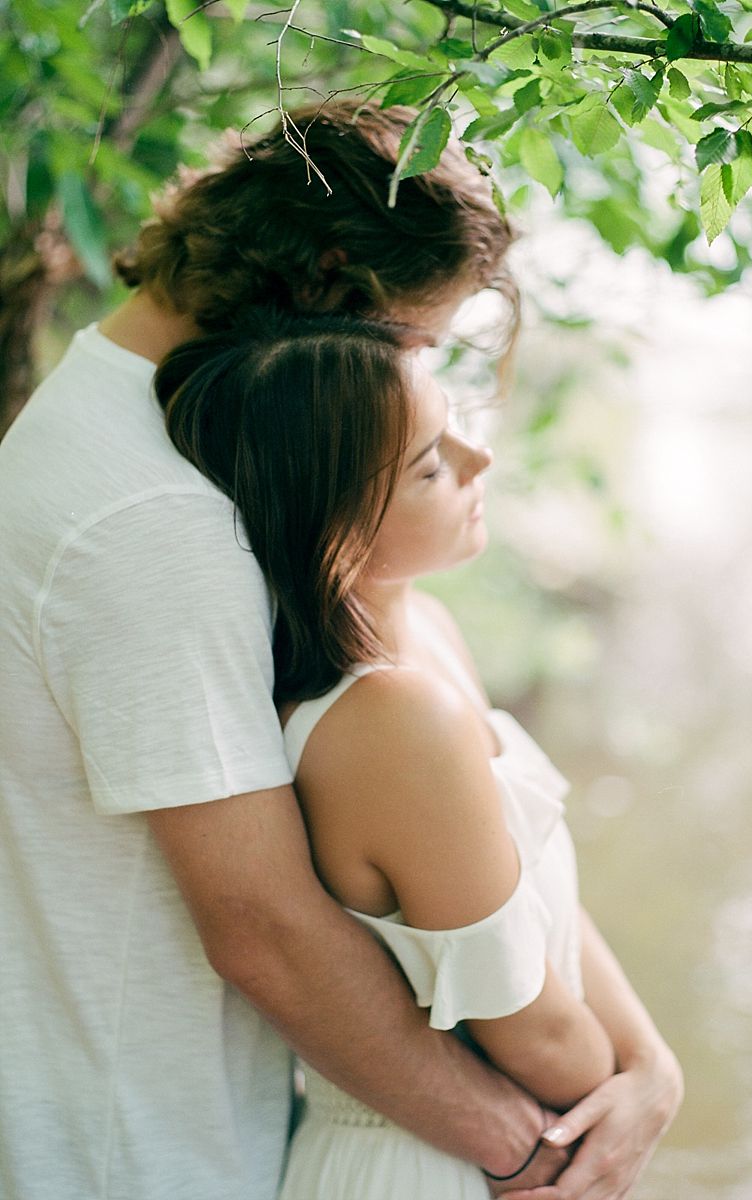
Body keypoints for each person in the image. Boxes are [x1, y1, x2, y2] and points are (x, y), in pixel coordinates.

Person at [0, 101, 681, 1200]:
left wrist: (647, 1064)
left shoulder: (143, 433)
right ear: (326, 289)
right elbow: (262, 927)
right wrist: (524, 1152)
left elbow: (484, 850)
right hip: (145, 1149)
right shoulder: (151, 520)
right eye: (415, 339)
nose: (413, 380)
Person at [154, 310, 681, 1199]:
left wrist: (654, 1069)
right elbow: (531, 1030)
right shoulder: (390, 720)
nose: (480, 463)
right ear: (336, 532)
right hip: (419, 1167)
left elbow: (539, 898)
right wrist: (615, 1112)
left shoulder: (429, 634)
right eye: (433, 465)